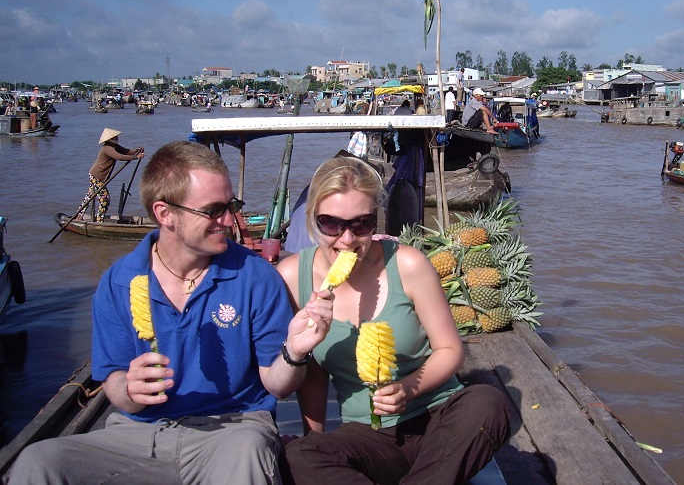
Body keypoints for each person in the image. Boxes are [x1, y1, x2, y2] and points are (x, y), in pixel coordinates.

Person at [6, 140, 334, 484]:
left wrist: (294, 353)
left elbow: (278, 387)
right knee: (38, 460)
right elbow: (113, 378)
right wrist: (129, 389)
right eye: (213, 210)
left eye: (231, 204)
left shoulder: (255, 276)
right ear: (165, 214)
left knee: (247, 450)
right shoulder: (119, 282)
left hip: (233, 430)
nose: (229, 219)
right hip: (137, 433)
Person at [278, 156, 510, 483]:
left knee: (488, 402)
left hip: (439, 421)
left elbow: (449, 349)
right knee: (297, 455)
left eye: (361, 224)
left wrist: (406, 390)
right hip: (369, 434)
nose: (347, 239)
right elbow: (312, 374)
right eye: (331, 223)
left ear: (376, 219)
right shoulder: (292, 277)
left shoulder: (408, 265)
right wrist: (313, 439)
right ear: (313, 217)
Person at [80, 128, 145, 222]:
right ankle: (99, 220)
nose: (117, 138)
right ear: (109, 139)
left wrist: (138, 150)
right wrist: (135, 157)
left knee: (90, 196)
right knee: (105, 199)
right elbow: (119, 157)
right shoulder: (107, 148)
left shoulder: (115, 146)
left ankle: (80, 215)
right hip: (97, 176)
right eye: (115, 137)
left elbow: (126, 151)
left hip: (98, 177)